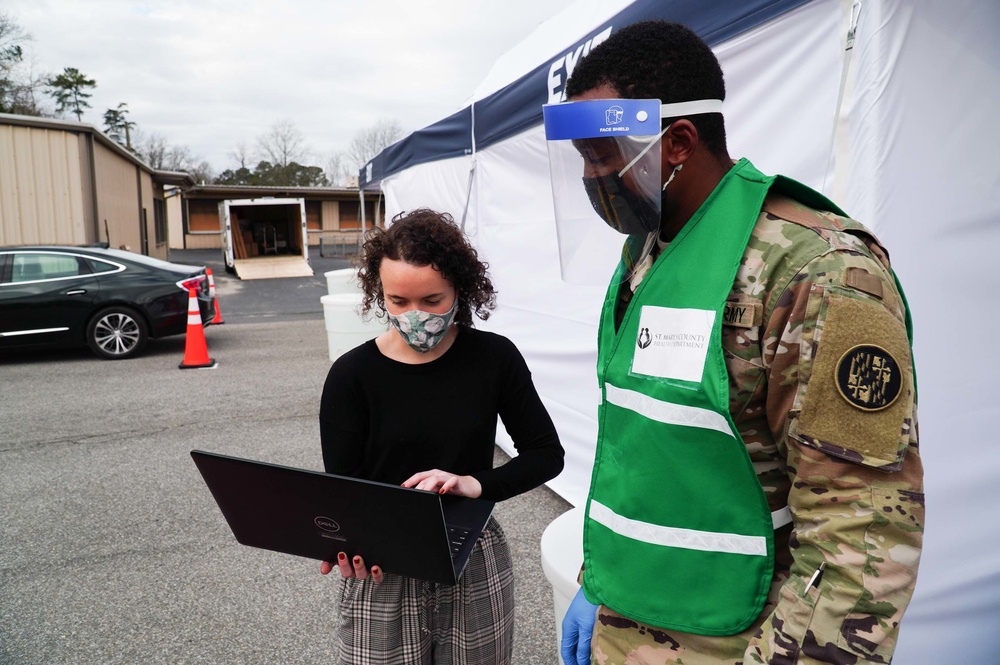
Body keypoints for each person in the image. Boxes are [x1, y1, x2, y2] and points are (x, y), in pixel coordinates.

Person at [545, 21, 924, 665]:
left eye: (601, 155)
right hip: (629, 620)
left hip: (733, 641)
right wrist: (600, 580)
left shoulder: (820, 272)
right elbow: (649, 451)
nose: (591, 177)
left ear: (677, 143)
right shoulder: (649, 250)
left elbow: (861, 535)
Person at [318, 208, 564, 665]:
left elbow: (546, 454)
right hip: (381, 568)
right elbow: (344, 488)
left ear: (459, 290)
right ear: (379, 294)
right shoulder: (352, 375)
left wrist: (475, 483)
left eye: (432, 301)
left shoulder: (494, 358)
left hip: (471, 555)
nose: (416, 316)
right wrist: (347, 541)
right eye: (398, 301)